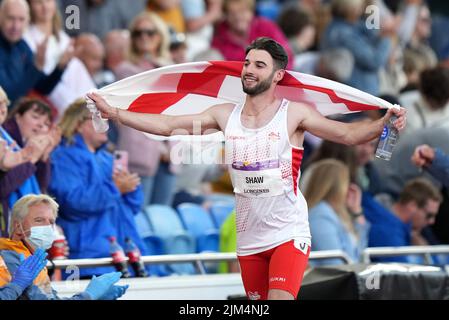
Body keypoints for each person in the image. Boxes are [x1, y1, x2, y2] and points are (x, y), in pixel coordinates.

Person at [87, 37, 406, 300]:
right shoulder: (225, 115)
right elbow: (169, 125)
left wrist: (384, 123)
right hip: (249, 238)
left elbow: (349, 134)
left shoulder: (293, 114)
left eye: (259, 65)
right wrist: (116, 113)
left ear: (278, 75)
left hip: (288, 231)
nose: (249, 70)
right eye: (247, 63)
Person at [48, 99, 150, 278]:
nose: (105, 125)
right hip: (89, 257)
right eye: (97, 119)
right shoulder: (63, 157)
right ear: (78, 124)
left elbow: (133, 207)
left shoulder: (108, 158)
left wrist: (132, 188)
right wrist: (116, 188)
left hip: (123, 252)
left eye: (106, 120)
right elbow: (73, 203)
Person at [0, 194, 128, 300]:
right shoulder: (10, 257)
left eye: (51, 222)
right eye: (39, 220)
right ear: (18, 227)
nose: (47, 227)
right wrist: (89, 296)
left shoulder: (31, 258)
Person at [0, 0, 72, 106]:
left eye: (21, 19)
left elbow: (42, 88)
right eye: (11, 18)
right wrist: (36, 68)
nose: (16, 26)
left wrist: (60, 67)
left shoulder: (22, 46)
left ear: (27, 21)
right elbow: (7, 95)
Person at [304, 159, 368, 266]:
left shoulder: (337, 213)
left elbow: (361, 255)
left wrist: (357, 212)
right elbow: (335, 264)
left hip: (348, 278)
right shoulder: (320, 214)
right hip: (333, 281)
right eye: (346, 182)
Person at [363, 177, 442, 263]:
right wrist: (424, 251)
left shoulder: (404, 229)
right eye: (429, 215)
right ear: (412, 206)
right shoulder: (388, 232)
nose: (432, 221)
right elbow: (402, 273)